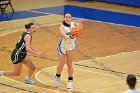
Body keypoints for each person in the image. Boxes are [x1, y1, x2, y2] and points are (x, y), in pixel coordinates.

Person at [54, 13, 83, 89]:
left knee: (69, 64)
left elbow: (81, 28)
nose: (67, 18)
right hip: (62, 46)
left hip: (70, 45)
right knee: (61, 64)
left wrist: (80, 24)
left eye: (69, 17)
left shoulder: (74, 24)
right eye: (66, 17)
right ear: (64, 18)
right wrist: (67, 36)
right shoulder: (62, 26)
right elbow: (63, 33)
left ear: (71, 18)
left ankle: (70, 81)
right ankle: (57, 78)